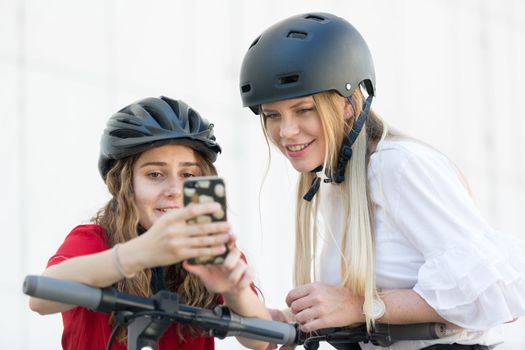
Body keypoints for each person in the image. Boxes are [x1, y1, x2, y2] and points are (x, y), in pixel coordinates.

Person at [239, 12, 525, 350]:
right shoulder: (333, 183)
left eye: (303, 110)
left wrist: (360, 305)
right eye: (273, 115)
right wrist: (239, 293)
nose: (286, 132)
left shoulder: (399, 166)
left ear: (347, 105)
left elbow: (498, 294)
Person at [29, 96, 271, 350]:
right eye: (155, 174)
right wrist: (137, 254)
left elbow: (263, 340)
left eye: (188, 175)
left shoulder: (212, 249)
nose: (175, 190)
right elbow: (40, 299)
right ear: (123, 185)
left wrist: (235, 291)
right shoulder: (93, 239)